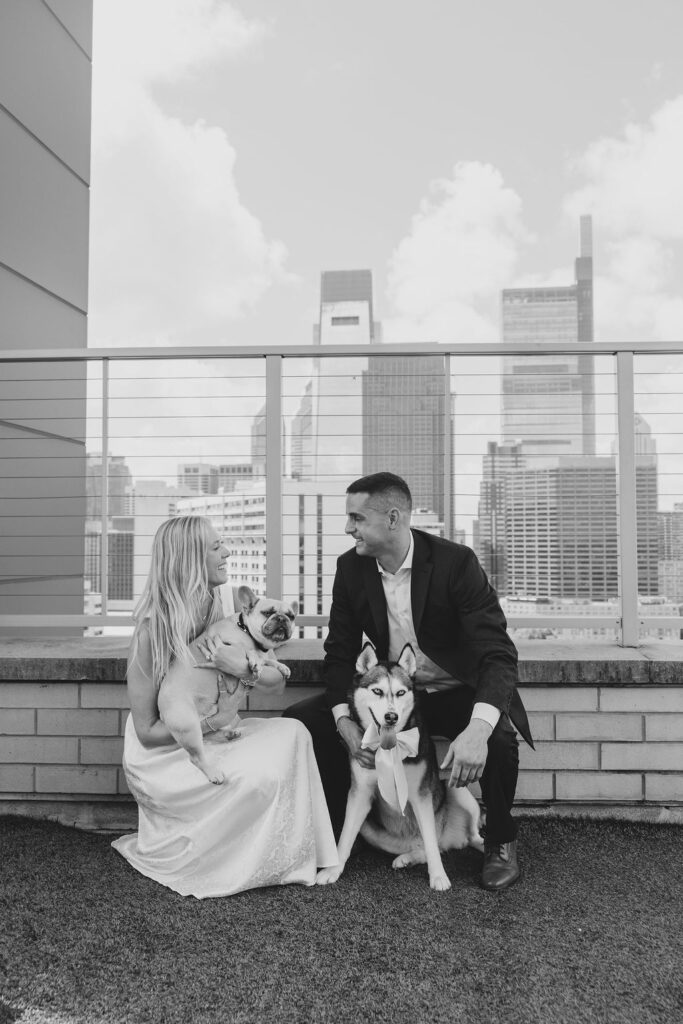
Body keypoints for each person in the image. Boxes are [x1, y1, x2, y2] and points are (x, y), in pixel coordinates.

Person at [283, 472, 533, 891]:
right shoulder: (350, 568)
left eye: (357, 518)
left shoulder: (457, 563)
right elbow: (340, 654)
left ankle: (500, 840)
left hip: (456, 691)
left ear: (393, 518)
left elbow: (498, 654)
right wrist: (344, 721)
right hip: (394, 696)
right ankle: (337, 831)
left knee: (499, 738)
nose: (348, 528)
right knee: (304, 720)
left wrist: (477, 728)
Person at [112, 515, 337, 898]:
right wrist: (216, 722)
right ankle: (240, 862)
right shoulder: (152, 630)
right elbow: (149, 734)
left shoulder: (227, 605)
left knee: (295, 731)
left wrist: (241, 669)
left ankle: (313, 853)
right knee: (259, 774)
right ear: (189, 558)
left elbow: (275, 684)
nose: (227, 552)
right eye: (217, 547)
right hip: (169, 749)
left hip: (214, 726)